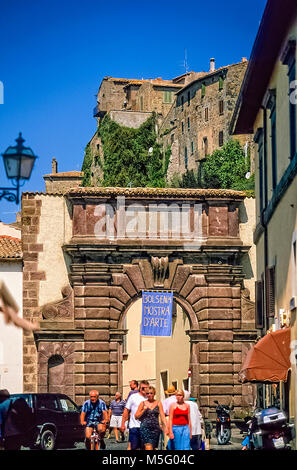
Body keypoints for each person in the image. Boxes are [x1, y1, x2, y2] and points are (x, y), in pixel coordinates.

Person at [135, 386, 168, 450]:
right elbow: (136, 416)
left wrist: (166, 426)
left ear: (154, 393)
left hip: (155, 428)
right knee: (148, 447)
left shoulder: (158, 403)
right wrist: (143, 410)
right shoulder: (143, 403)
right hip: (145, 428)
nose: (149, 395)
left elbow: (162, 416)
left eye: (151, 393)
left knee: (153, 448)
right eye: (147, 393)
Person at [120, 380, 149, 450]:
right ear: (139, 388)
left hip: (146, 426)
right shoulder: (133, 397)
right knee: (134, 447)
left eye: (146, 388)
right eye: (142, 388)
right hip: (134, 426)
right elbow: (126, 410)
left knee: (145, 447)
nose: (144, 390)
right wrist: (122, 424)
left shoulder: (149, 398)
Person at [162, 384, 177, 449]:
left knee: (167, 437)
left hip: (168, 418)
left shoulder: (166, 401)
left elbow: (163, 411)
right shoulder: (177, 399)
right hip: (177, 418)